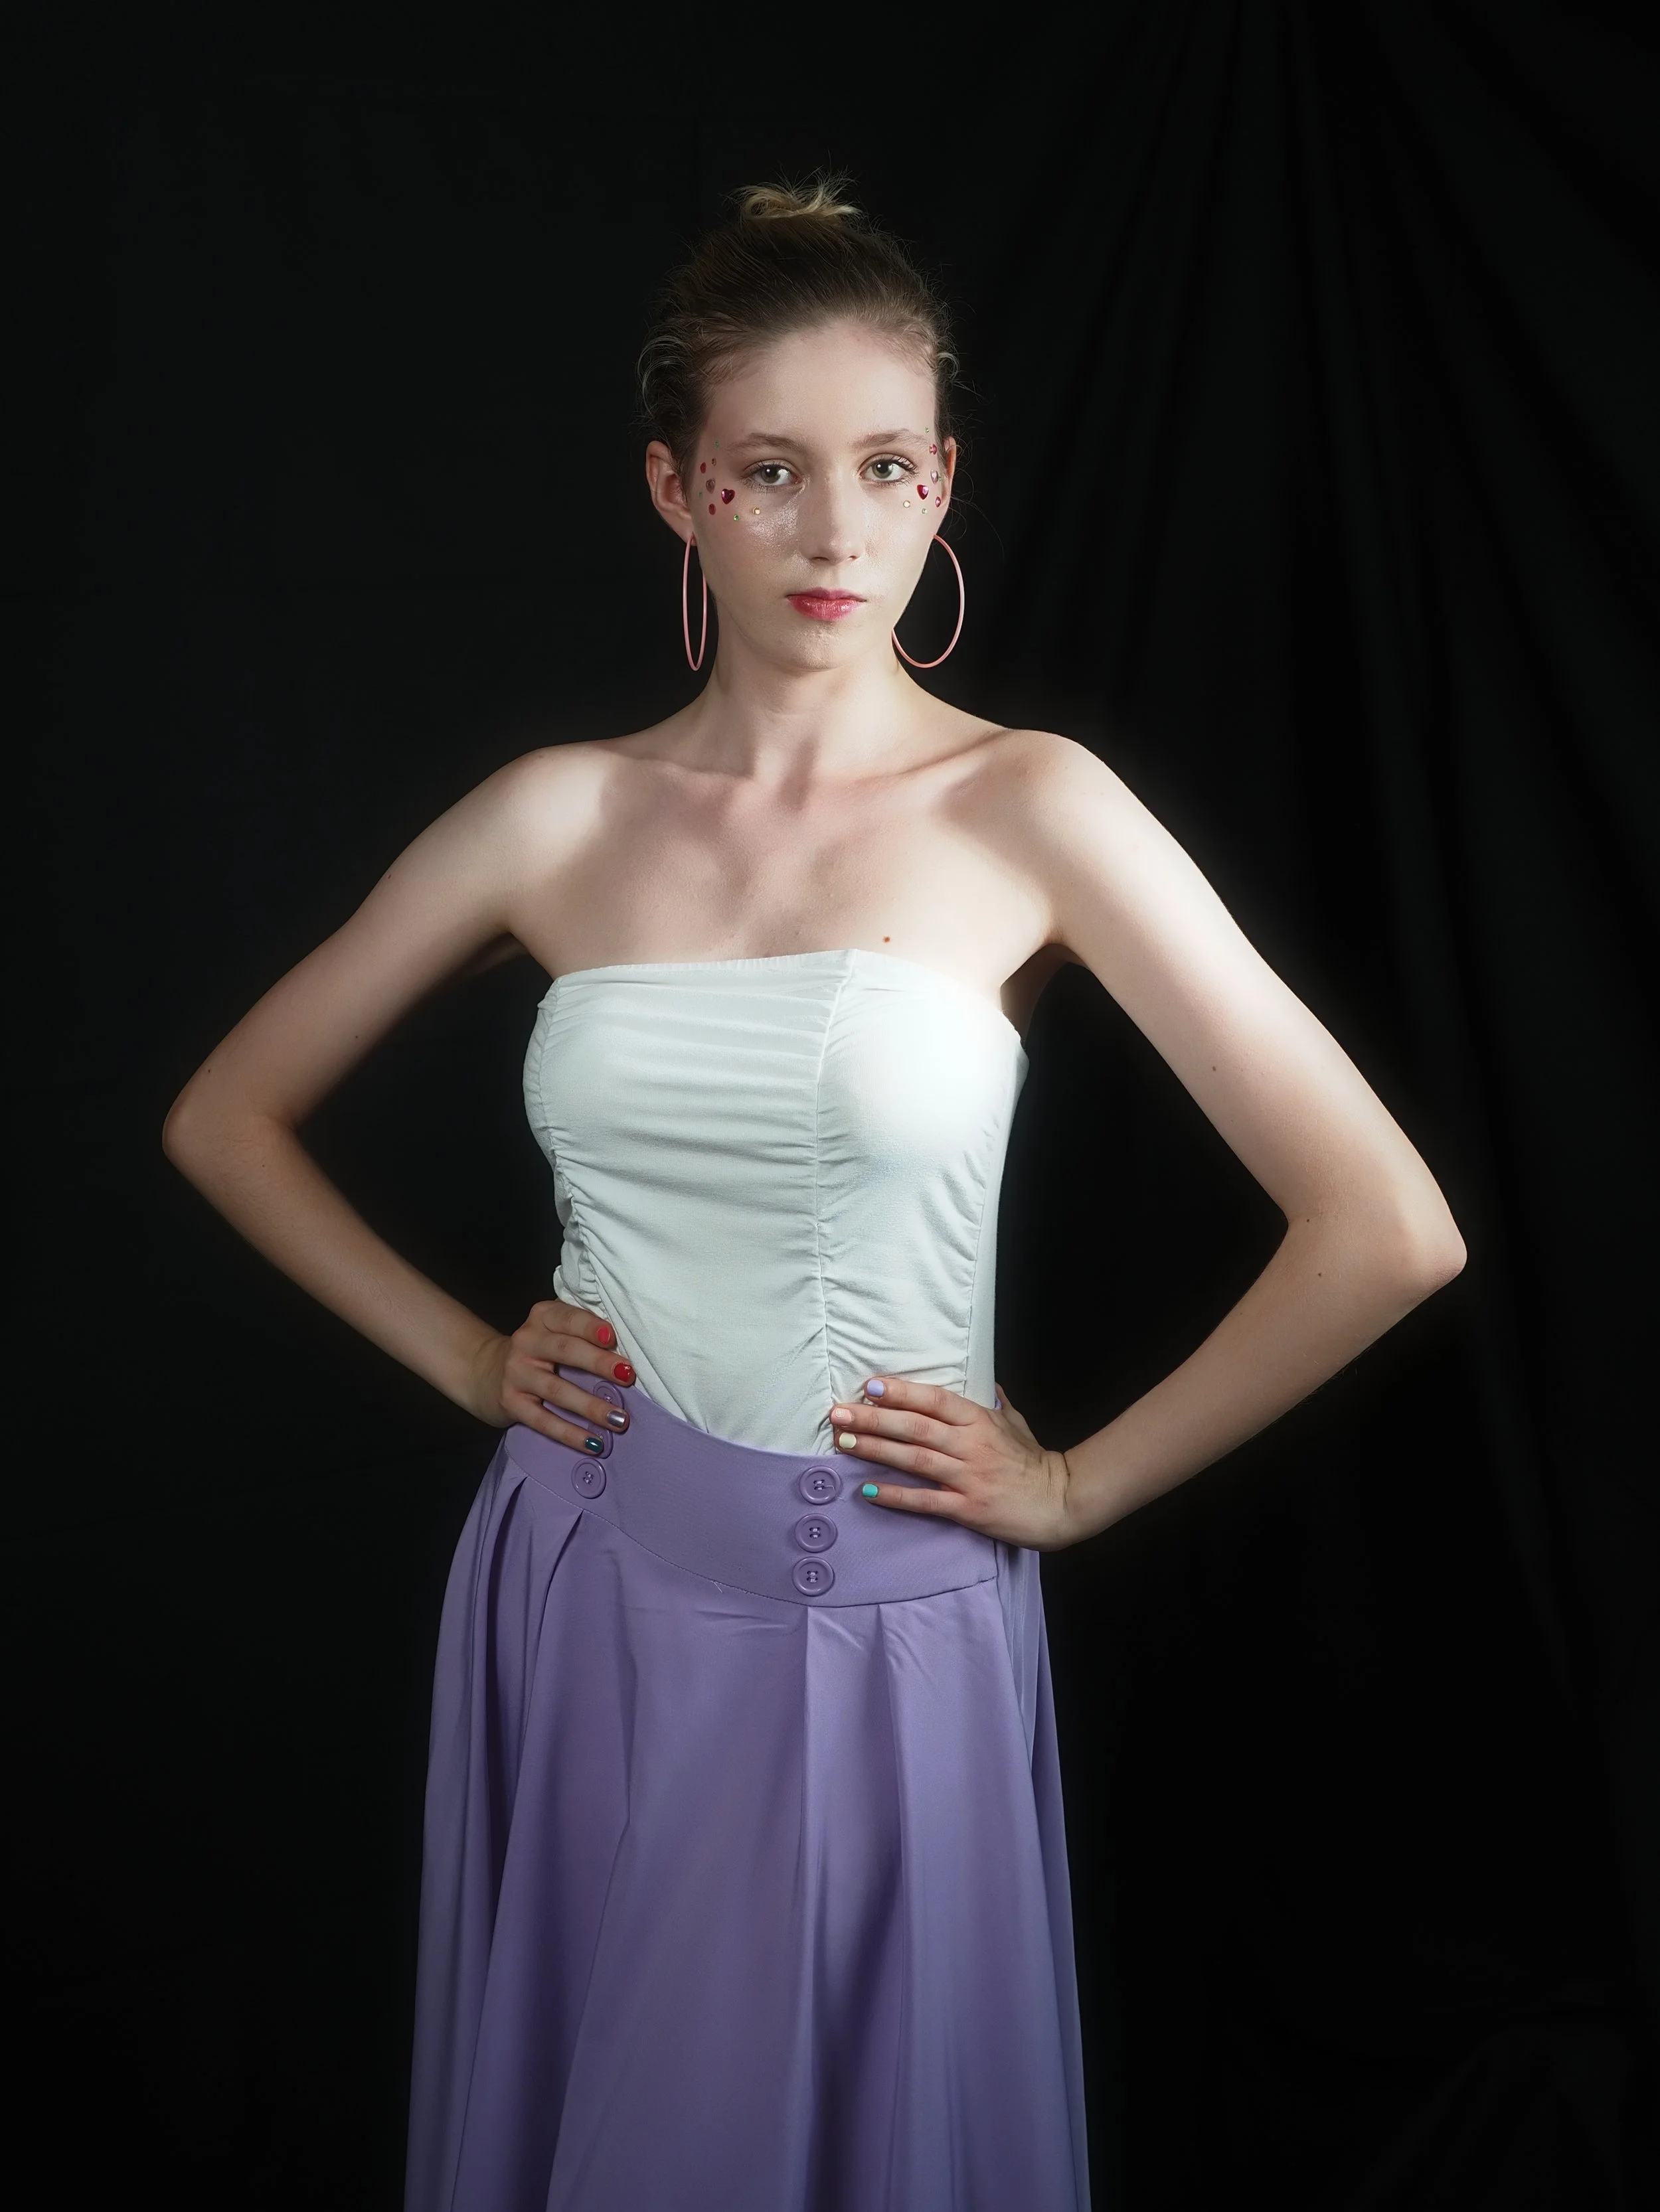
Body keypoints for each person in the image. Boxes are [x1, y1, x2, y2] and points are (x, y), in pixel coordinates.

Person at [163, 178, 1466, 2212]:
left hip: (877, 1610)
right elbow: (226, 1115)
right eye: (770, 470)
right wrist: (471, 1357)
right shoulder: (554, 813)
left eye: (884, 467)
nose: (835, 531)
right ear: (675, 490)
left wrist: (1076, 1482)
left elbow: (1385, 1223)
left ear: (943, 483)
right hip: (582, 1577)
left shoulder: (1031, 806)